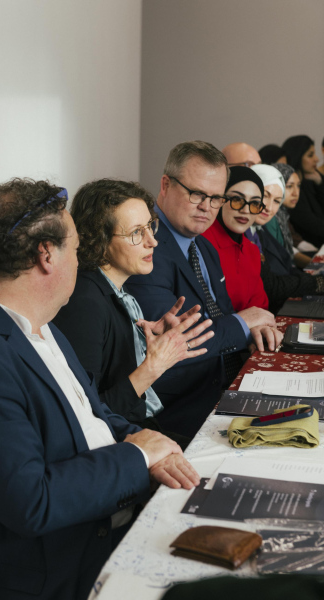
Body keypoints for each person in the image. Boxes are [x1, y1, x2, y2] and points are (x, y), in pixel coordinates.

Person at [0, 178, 200, 600]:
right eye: (76, 248)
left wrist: (149, 444)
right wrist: (138, 456)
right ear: (46, 255)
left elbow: (93, 414)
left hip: (100, 531)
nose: (80, 260)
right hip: (45, 577)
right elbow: (31, 502)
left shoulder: (41, 324)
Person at [126, 141, 282, 437]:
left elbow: (220, 318)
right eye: (197, 194)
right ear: (165, 185)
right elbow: (177, 343)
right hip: (176, 413)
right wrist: (244, 322)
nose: (206, 208)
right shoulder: (146, 249)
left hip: (221, 388)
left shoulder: (203, 247)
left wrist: (252, 333)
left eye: (216, 198)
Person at [54, 179, 214, 446]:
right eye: (137, 233)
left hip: (138, 428)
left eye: (150, 226)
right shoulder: (84, 303)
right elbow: (85, 417)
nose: (153, 241)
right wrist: (154, 366)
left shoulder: (114, 289)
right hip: (117, 445)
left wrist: (146, 341)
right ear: (99, 239)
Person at [246, 165, 324, 314]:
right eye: (265, 196)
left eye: (277, 201)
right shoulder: (245, 232)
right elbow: (270, 285)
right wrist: (317, 283)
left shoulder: (258, 230)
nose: (269, 208)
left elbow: (285, 262)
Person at [202, 166, 268, 311]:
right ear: (220, 199)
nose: (245, 210)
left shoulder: (252, 252)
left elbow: (259, 307)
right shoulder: (200, 243)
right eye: (237, 199)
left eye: (255, 204)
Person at [265, 162, 313, 268]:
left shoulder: (283, 214)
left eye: (298, 186)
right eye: (289, 186)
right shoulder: (269, 216)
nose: (296, 193)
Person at [282, 135, 324, 248]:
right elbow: (315, 226)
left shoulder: (311, 180)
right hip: (310, 250)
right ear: (298, 157)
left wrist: (320, 183)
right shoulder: (292, 192)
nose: (317, 159)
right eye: (310, 155)